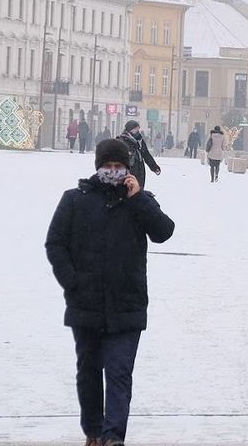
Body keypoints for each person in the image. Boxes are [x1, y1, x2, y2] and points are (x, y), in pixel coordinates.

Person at [45, 138, 175, 446]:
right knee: (88, 373)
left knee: (119, 373)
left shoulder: (139, 201)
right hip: (85, 304)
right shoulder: (75, 199)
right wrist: (72, 281)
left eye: (119, 167)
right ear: (98, 167)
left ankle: (113, 436)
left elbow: (164, 232)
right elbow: (55, 243)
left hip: (126, 304)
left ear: (128, 170)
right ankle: (93, 430)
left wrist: (139, 198)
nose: (113, 172)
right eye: (108, 166)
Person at [116, 121, 161, 189]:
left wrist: (154, 167)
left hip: (139, 172)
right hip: (127, 173)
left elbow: (146, 155)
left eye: (138, 129)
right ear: (129, 130)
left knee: (138, 193)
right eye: (135, 129)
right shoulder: (122, 141)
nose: (137, 131)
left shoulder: (140, 141)